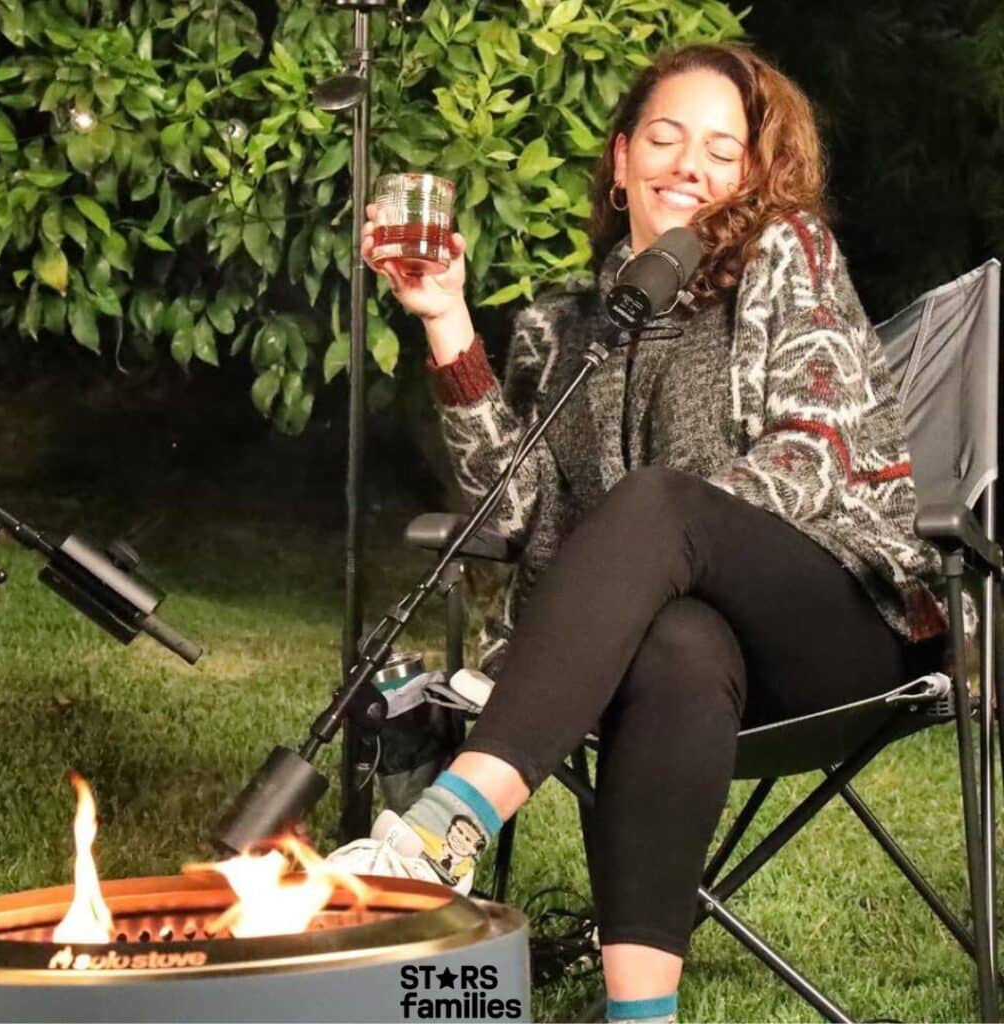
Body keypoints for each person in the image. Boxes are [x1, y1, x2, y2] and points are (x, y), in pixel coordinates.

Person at [326, 42, 946, 1023]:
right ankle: (640, 1014)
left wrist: (653, 541)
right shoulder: (561, 323)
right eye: (662, 136)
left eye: (719, 147)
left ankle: (450, 821)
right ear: (619, 161)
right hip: (685, 660)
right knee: (674, 639)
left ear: (752, 172)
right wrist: (446, 322)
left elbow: (819, 455)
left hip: (838, 626)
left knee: (658, 507)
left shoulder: (786, 256)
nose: (686, 163)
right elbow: (515, 512)